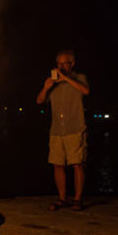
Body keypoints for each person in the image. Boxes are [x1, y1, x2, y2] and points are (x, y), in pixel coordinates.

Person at [36, 49, 90, 211]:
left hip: (75, 127)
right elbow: (39, 101)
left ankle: (78, 199)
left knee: (77, 164)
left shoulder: (79, 78)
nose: (60, 67)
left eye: (64, 63)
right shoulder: (53, 83)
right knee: (57, 164)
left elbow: (86, 91)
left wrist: (65, 77)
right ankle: (62, 198)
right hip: (57, 130)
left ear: (72, 63)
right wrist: (46, 87)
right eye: (58, 64)